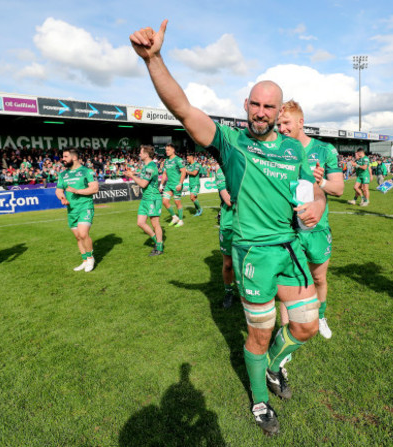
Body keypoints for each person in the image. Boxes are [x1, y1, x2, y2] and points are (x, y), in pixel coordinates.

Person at [131, 20, 326, 436]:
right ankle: (259, 402)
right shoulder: (232, 144)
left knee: (306, 325)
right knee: (260, 333)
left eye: (269, 107)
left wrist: (316, 206)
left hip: (291, 250)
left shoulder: (294, 149)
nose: (260, 112)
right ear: (246, 105)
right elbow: (183, 108)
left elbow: (315, 192)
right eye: (255, 104)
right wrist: (155, 60)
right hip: (254, 253)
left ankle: (274, 367)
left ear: (279, 112)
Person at [277, 100, 344, 341]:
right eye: (279, 124)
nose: (282, 128)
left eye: (286, 123)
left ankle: (321, 315)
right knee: (286, 282)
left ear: (300, 122)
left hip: (317, 228)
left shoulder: (324, 150)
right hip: (286, 228)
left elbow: (339, 188)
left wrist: (321, 182)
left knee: (318, 278)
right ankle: (284, 334)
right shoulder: (277, 149)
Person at [56, 148, 99, 272]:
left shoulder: (87, 171)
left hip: (85, 206)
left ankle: (91, 259)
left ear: (74, 157)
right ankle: (85, 261)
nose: (62, 159)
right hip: (71, 210)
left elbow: (95, 189)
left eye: (65, 156)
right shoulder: (63, 174)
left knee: (83, 234)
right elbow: (58, 190)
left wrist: (77, 191)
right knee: (78, 237)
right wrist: (62, 198)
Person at [123, 145, 164, 256]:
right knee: (140, 223)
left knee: (155, 224)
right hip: (145, 198)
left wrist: (132, 176)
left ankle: (159, 247)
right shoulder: (145, 166)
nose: (139, 154)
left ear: (146, 154)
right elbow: (143, 178)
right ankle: (157, 241)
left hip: (153, 198)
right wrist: (133, 174)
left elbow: (143, 183)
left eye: (141, 152)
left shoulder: (150, 167)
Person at [215, 165, 235, 308]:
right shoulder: (221, 170)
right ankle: (229, 292)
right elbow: (228, 200)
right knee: (228, 264)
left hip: (248, 223)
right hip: (228, 223)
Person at [160, 143, 186, 227]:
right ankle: (174, 217)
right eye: (166, 150)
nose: (166, 152)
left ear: (173, 150)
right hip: (168, 185)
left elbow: (184, 171)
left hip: (176, 185)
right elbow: (164, 173)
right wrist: (161, 184)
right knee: (164, 201)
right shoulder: (166, 161)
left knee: (177, 202)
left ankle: (181, 220)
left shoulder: (178, 160)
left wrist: (180, 184)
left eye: (168, 150)